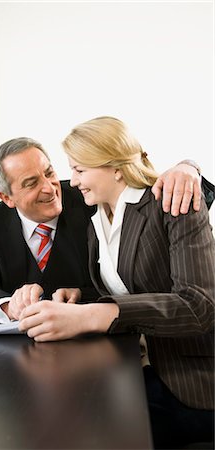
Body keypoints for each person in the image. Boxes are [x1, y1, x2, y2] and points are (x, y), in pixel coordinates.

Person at [18, 117, 214, 449]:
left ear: (115, 168)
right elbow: (132, 289)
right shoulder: (98, 218)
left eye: (79, 170)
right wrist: (82, 297)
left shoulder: (171, 204)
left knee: (84, 430)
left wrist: (94, 315)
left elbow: (200, 306)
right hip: (133, 366)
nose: (73, 181)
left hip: (189, 381)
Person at [0, 136, 206, 326]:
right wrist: (9, 306)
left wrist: (188, 167)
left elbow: (147, 186)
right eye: (31, 183)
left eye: (49, 173)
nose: (49, 188)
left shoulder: (89, 196)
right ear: (7, 197)